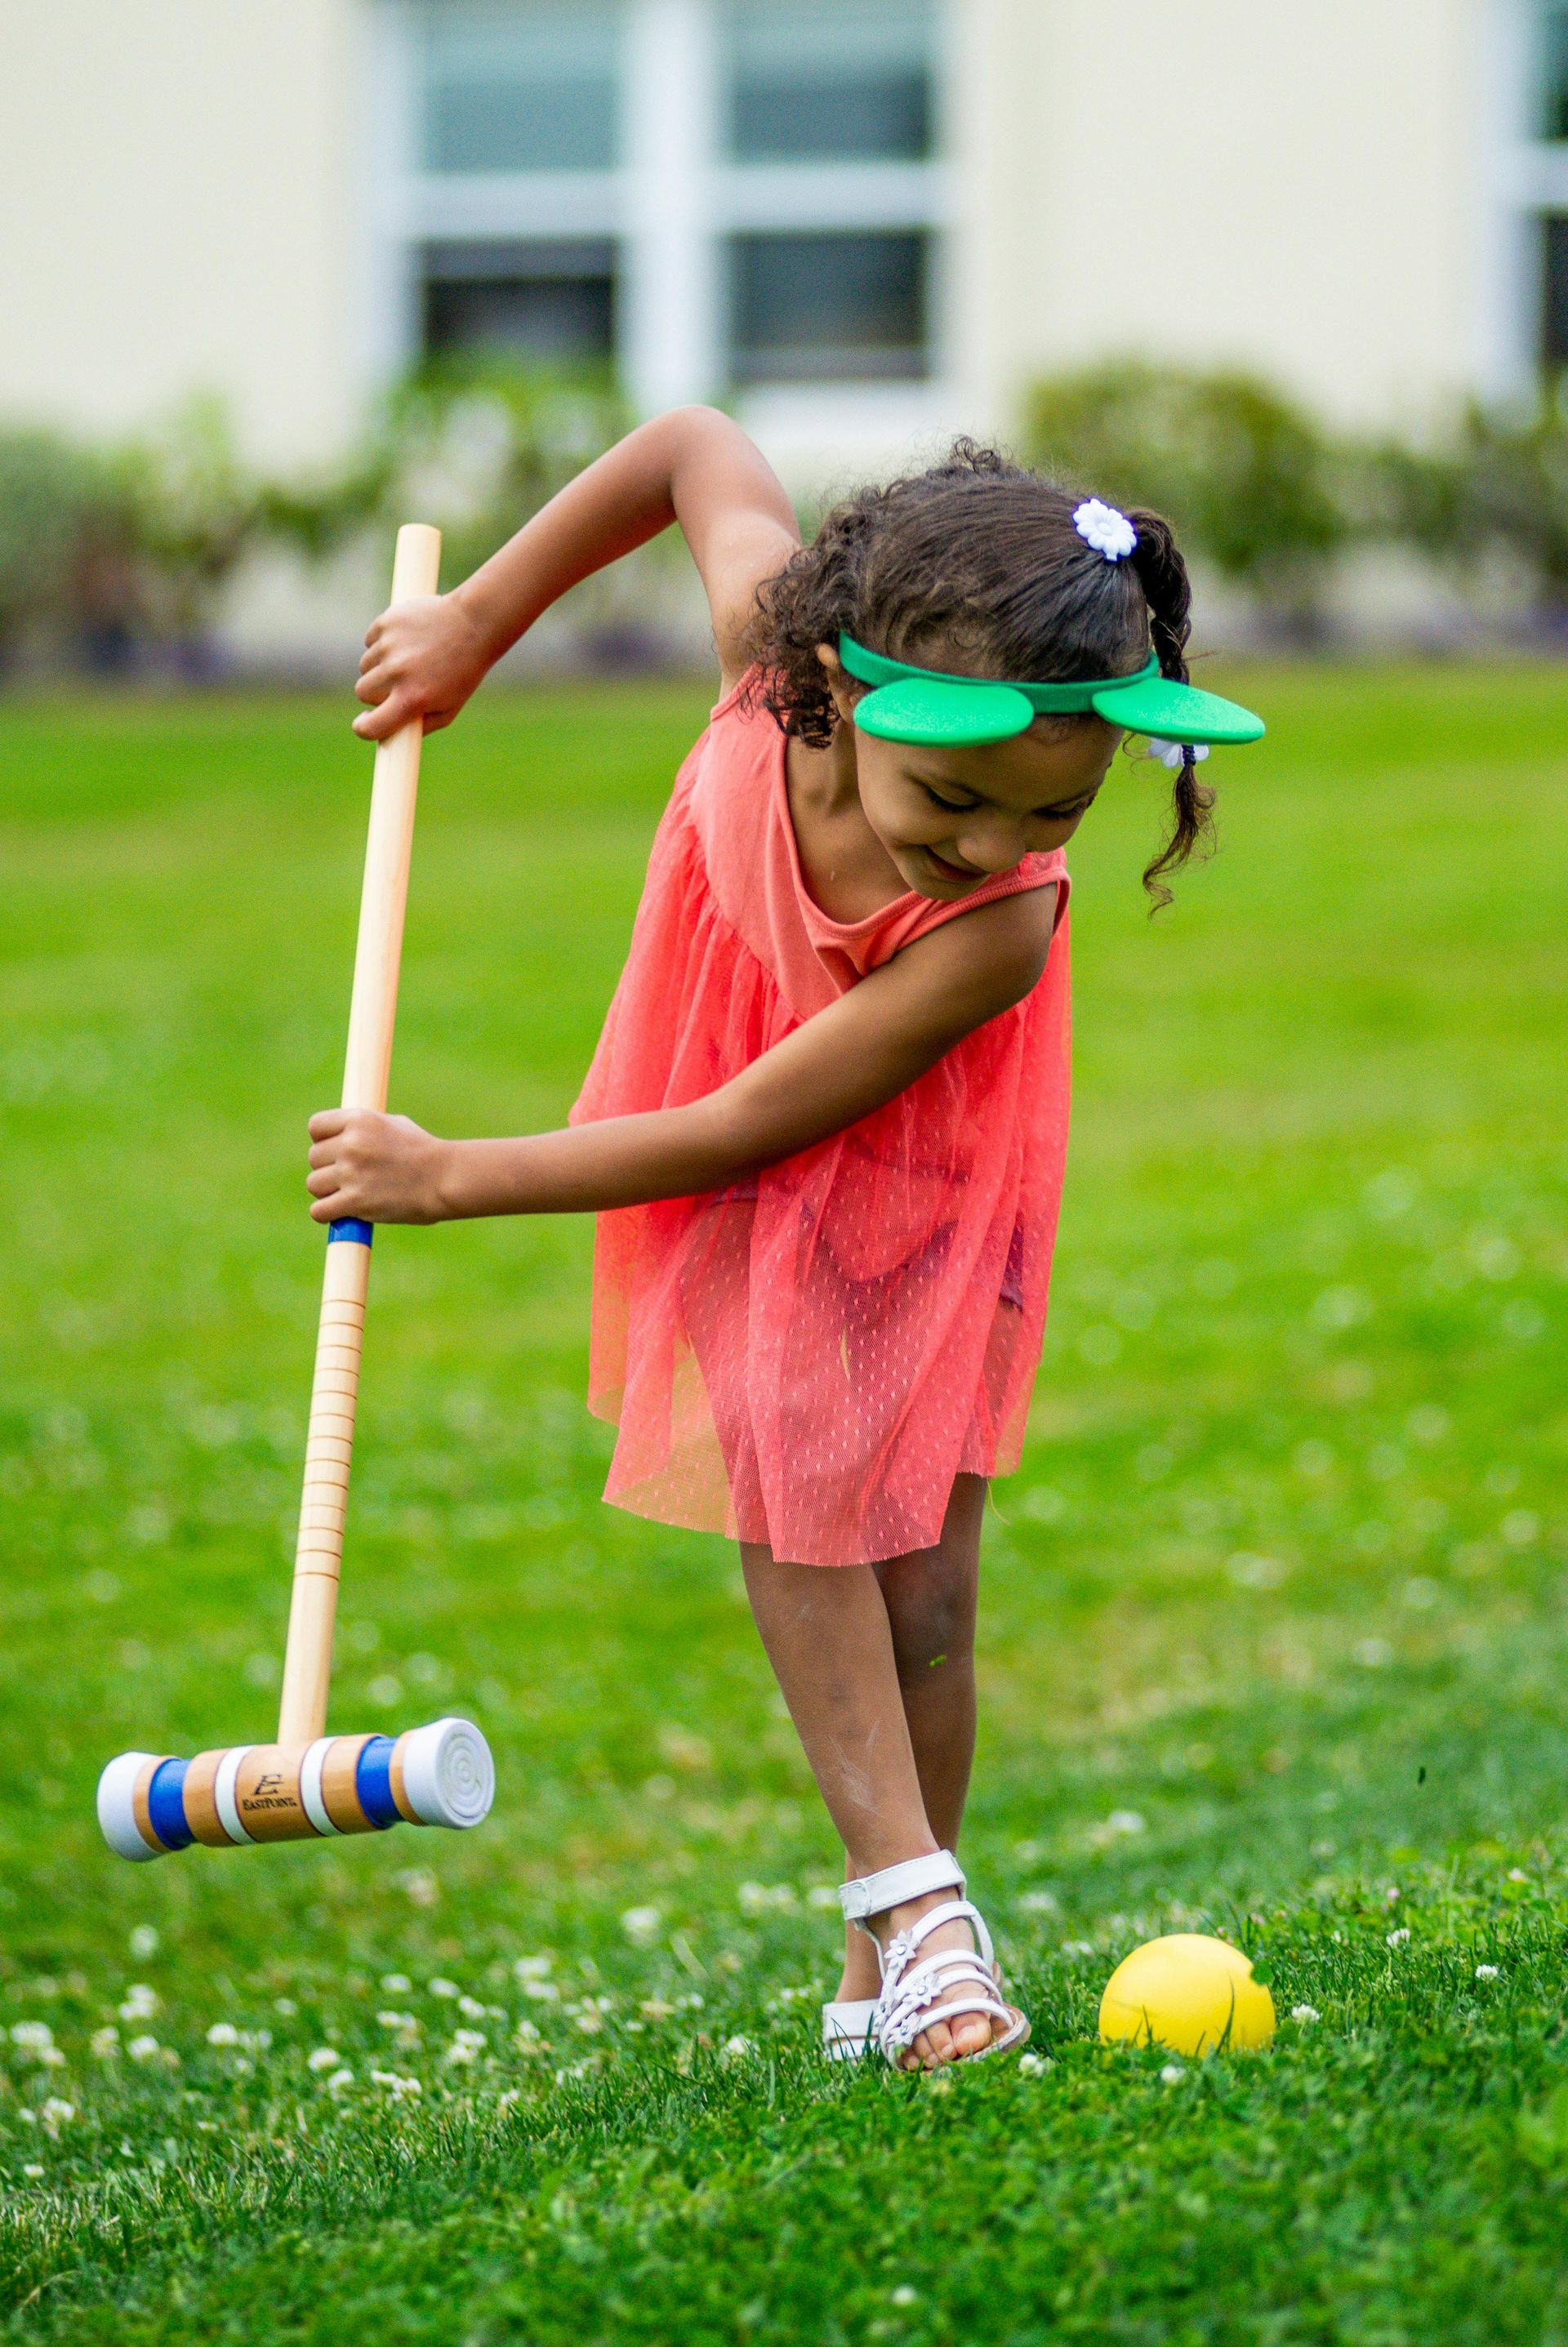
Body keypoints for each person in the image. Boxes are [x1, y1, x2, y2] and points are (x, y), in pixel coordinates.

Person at [308, 408, 1263, 2072]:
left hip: (920, 1176)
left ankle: (873, 1966)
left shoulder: (999, 930)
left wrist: (452, 1174)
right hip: (751, 1135)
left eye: (1048, 820)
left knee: (930, 1589)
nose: (990, 849)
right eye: (953, 800)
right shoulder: (773, 649)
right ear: (836, 687)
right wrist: (476, 628)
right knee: (794, 1464)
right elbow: (691, 446)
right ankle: (922, 1916)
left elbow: (752, 1124)